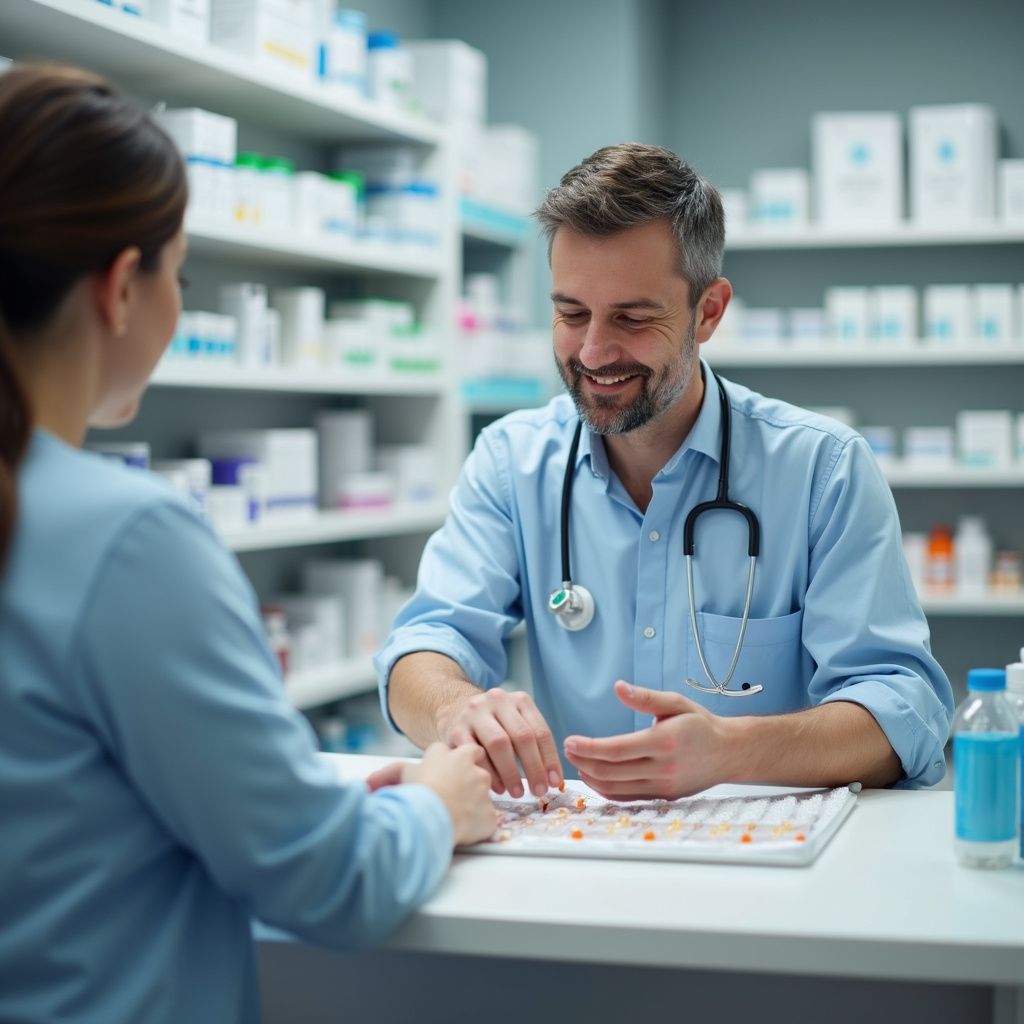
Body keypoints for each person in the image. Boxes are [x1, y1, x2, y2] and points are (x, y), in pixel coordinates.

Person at [0, 63, 495, 1024]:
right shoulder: (129, 539)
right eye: (178, 274)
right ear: (119, 289)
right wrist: (436, 802)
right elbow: (328, 881)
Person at [377, 142, 954, 802]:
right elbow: (423, 643)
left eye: (632, 317)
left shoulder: (823, 471)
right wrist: (454, 709)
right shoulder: (513, 463)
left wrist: (733, 751)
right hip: (581, 857)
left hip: (770, 862)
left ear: (708, 311)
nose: (593, 351)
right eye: (571, 313)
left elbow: (904, 708)